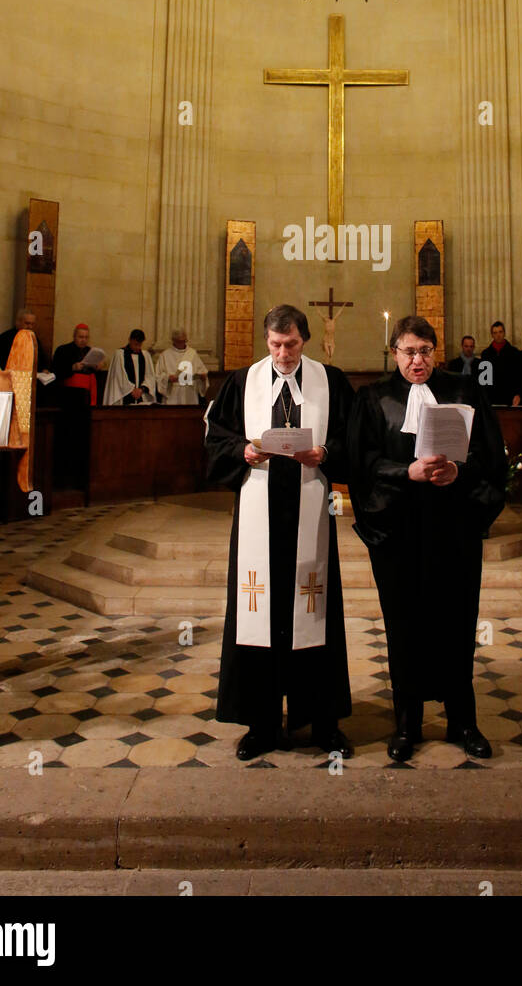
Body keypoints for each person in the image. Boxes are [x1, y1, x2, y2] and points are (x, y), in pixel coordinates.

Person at [347, 314, 507, 764]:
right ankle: (407, 723)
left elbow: (490, 455)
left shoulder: (464, 391)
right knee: (404, 625)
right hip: (399, 528)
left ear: (435, 352)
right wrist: (408, 471)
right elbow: (362, 465)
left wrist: (459, 471)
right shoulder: (373, 397)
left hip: (452, 525)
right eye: (407, 351)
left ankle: (463, 721)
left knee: (456, 621)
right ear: (393, 353)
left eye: (425, 351)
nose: (417, 361)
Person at [205, 304, 355, 761]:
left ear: (304, 340)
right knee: (259, 616)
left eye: (291, 344)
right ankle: (261, 724)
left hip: (310, 512)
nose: (283, 353)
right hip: (258, 513)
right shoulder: (241, 382)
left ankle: (323, 722)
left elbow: (356, 435)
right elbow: (217, 436)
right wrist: (244, 451)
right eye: (275, 345)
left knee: (315, 611)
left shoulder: (331, 381)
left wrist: (326, 452)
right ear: (266, 342)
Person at [154, 328, 209, 405]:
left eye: (184, 341)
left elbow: (202, 371)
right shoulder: (165, 355)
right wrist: (168, 378)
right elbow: (158, 376)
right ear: (173, 340)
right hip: (172, 393)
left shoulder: (192, 354)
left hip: (190, 393)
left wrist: (203, 378)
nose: (182, 343)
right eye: (179, 341)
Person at [104, 330, 157, 406]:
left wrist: (141, 389)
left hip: (141, 396)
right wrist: (131, 390)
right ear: (130, 340)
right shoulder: (120, 354)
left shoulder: (146, 355)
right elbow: (119, 376)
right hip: (124, 396)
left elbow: (150, 376)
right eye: (135, 344)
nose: (137, 347)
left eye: (140, 345)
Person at [52, 323, 100, 406]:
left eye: (86, 337)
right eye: (81, 337)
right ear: (74, 336)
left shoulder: (90, 351)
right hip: (69, 393)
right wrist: (72, 367)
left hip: (87, 393)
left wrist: (97, 367)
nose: (83, 340)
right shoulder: (63, 350)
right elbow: (56, 370)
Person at [479, 321, 522, 406]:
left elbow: (519, 375)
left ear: (504, 333)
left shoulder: (514, 352)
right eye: (495, 333)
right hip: (492, 396)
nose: (498, 335)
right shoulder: (486, 353)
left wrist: (518, 393)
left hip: (510, 395)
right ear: (492, 335)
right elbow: (484, 379)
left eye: (500, 332)